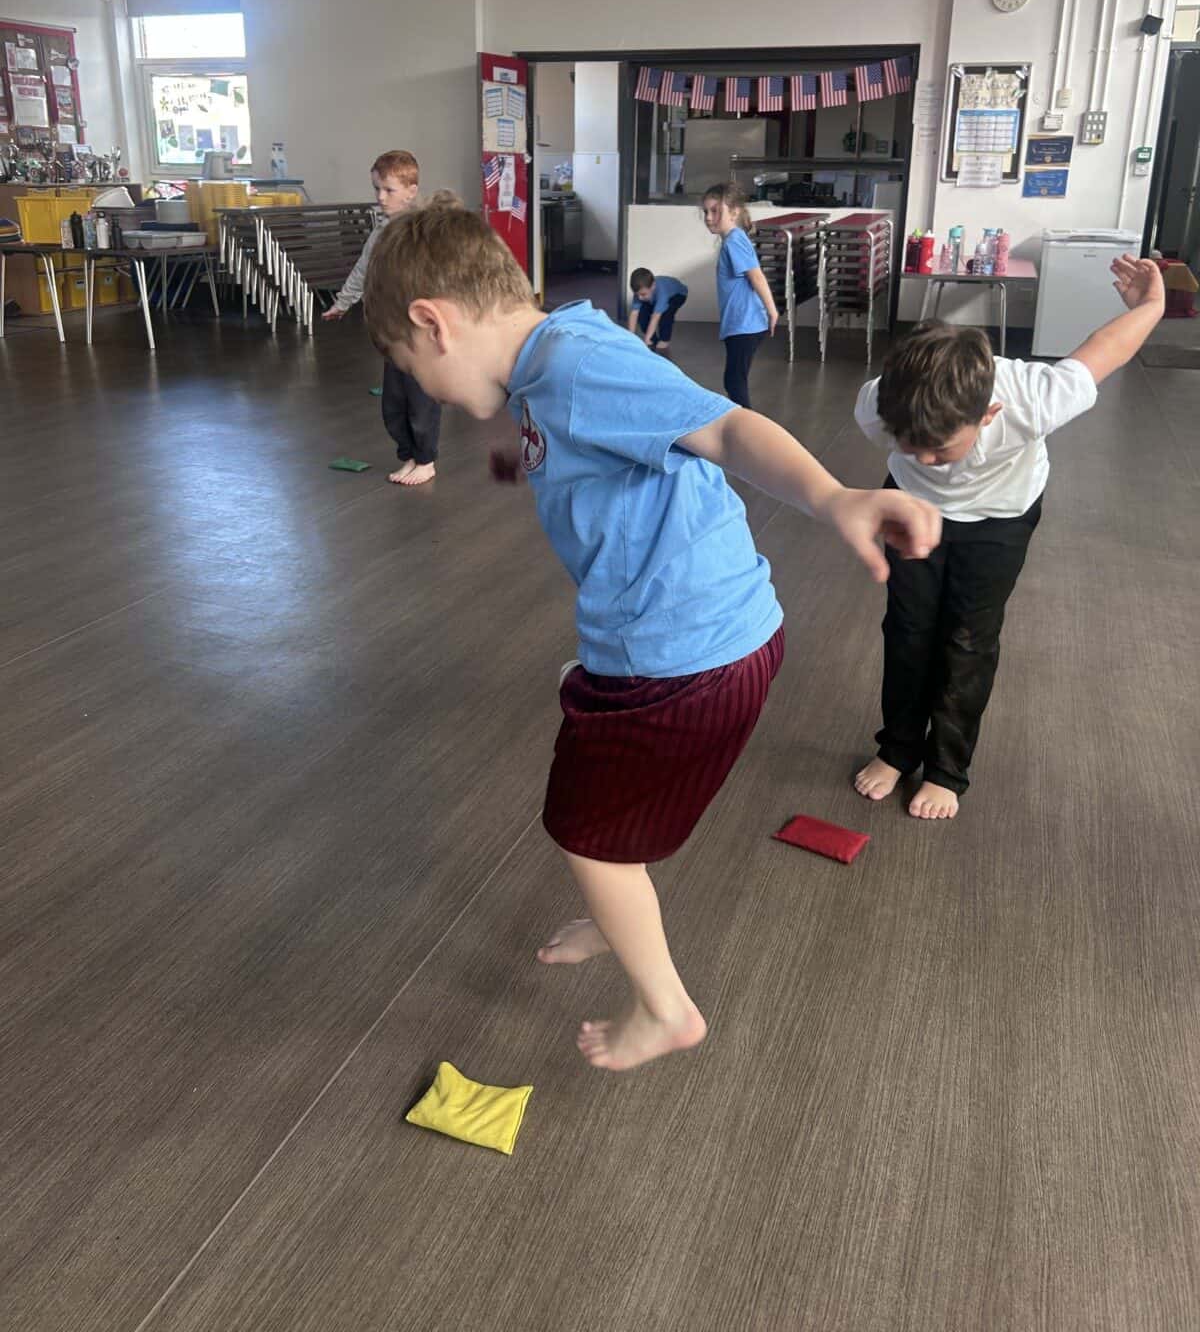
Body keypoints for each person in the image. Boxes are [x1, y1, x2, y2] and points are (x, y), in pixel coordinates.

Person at [363, 197, 940, 1072]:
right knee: (616, 805)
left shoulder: (578, 365)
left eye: (411, 367)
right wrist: (523, 461)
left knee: (584, 832)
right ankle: (615, 915)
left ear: (433, 324)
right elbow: (591, 440)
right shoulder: (549, 358)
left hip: (677, 656)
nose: (425, 391)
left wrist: (832, 497)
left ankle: (665, 1008)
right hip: (712, 640)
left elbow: (723, 427)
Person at [853, 253, 1165, 821]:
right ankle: (897, 748)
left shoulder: (1031, 397)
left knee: (968, 638)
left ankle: (946, 769)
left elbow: (1105, 349)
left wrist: (1152, 304)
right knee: (907, 628)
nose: (928, 460)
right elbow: (907, 454)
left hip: (1001, 517)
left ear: (989, 413)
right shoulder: (877, 405)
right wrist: (908, 472)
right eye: (911, 445)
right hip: (912, 507)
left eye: (940, 449)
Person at [322, 149, 441, 487]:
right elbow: (363, 269)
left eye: (389, 190)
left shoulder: (423, 232)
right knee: (394, 401)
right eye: (377, 189)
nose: (380, 197)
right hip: (391, 331)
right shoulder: (379, 232)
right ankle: (409, 455)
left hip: (420, 331)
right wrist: (343, 302)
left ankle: (426, 460)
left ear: (411, 190)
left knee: (420, 397)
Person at [703, 183, 778, 410]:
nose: (708, 217)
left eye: (715, 211)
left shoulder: (734, 240)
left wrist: (772, 311)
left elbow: (756, 276)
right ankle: (745, 422)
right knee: (734, 380)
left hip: (745, 324)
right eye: (706, 211)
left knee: (734, 382)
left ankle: (748, 425)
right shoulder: (733, 239)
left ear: (734, 212)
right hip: (741, 323)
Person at [627, 268, 688, 352]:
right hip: (655, 295)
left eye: (643, 294)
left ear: (653, 286)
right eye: (637, 295)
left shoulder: (662, 292)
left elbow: (655, 317)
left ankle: (664, 340)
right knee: (642, 314)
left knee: (665, 314)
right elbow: (634, 313)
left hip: (677, 295)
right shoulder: (640, 292)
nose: (639, 298)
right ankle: (652, 339)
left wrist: (646, 339)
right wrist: (631, 338)